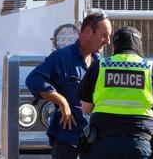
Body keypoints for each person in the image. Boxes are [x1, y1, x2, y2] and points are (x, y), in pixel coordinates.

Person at [25, 10, 112, 159]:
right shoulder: (61, 57)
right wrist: (62, 101)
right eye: (104, 35)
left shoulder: (100, 63)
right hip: (67, 141)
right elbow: (34, 80)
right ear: (88, 32)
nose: (108, 41)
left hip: (94, 140)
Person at [79, 26, 153, 159]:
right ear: (139, 45)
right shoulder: (152, 69)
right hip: (139, 143)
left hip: (103, 143)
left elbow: (86, 107)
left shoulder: (99, 66)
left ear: (115, 46)